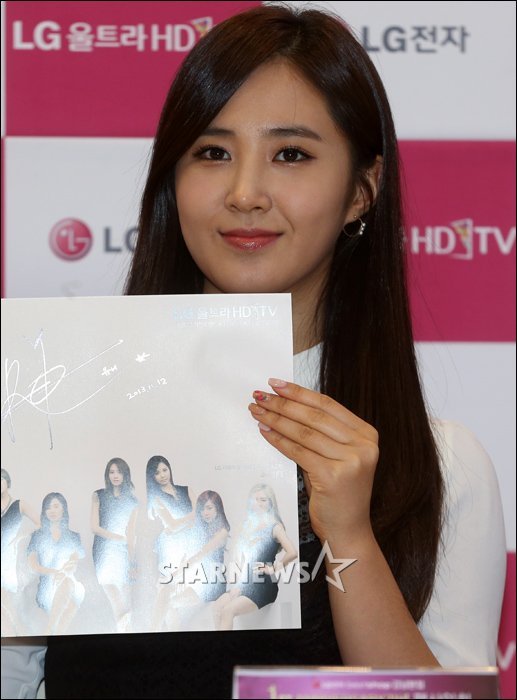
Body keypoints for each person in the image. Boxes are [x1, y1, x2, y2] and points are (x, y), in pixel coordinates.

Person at [37, 4, 504, 697]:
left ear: (361, 191)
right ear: (172, 179)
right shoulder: (57, 426)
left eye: (290, 154)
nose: (245, 193)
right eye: (212, 152)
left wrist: (348, 536)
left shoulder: (440, 464)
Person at [214, 483, 296, 630]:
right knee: (217, 607)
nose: (258, 503)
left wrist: (273, 569)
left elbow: (292, 552)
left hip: (263, 585)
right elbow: (237, 559)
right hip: (244, 583)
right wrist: (237, 586)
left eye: (263, 500)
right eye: (255, 500)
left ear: (270, 503)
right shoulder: (245, 525)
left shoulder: (275, 527)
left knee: (228, 611)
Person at [166, 490, 231, 627]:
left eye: (209, 508)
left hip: (214, 583)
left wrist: (177, 574)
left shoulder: (222, 532)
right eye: (202, 509)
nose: (205, 513)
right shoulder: (203, 530)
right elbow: (190, 553)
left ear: (218, 508)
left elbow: (201, 554)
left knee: (171, 603)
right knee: (169, 601)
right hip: (202, 581)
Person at [145, 455, 195, 631]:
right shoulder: (156, 498)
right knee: (166, 591)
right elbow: (172, 526)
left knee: (174, 598)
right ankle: (155, 631)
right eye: (157, 473)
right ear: (152, 477)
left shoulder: (186, 490)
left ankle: (168, 635)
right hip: (170, 550)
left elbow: (198, 519)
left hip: (190, 547)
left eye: (164, 470)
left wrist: (181, 523)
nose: (162, 475)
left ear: (170, 469)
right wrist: (191, 517)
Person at [91, 458, 139, 633]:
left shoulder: (133, 501)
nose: (115, 476)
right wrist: (117, 538)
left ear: (125, 474)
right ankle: (125, 634)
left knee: (126, 599)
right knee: (114, 597)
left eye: (119, 472)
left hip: (123, 553)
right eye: (112, 472)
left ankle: (125, 633)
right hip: (103, 551)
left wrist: (132, 562)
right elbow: (94, 527)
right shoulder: (98, 495)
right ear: (107, 475)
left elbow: (131, 534)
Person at [27, 493, 85, 636]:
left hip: (70, 584)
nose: (52, 511)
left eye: (56, 506)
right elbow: (33, 565)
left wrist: (63, 573)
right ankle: (55, 632)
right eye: (48, 508)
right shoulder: (37, 536)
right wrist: (55, 573)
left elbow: (74, 564)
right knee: (61, 630)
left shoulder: (73, 537)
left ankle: (50, 629)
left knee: (68, 584)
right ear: (44, 511)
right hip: (47, 588)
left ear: (63, 509)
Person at [1, 468, 40, 636]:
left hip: (10, 559)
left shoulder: (19, 504)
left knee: (9, 602)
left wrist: (23, 536)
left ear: (7, 482)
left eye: (1, 479)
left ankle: (19, 635)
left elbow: (40, 523)